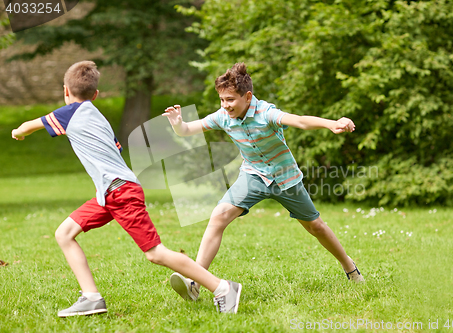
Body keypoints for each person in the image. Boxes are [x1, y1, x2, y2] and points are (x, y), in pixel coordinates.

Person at [11, 61, 242, 316]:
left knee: (155, 253)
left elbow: (31, 125)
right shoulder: (99, 117)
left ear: (66, 91)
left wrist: (17, 132)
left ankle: (222, 288)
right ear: (96, 95)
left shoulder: (70, 113)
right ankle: (91, 298)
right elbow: (116, 149)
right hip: (109, 193)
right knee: (64, 233)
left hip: (120, 192)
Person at [163, 62, 364, 302]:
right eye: (221, 100)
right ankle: (195, 282)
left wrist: (332, 123)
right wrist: (177, 122)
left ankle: (349, 266)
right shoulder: (223, 117)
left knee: (316, 227)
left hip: (285, 178)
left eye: (230, 100)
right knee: (218, 216)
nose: (225, 105)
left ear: (247, 97)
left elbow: (299, 121)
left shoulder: (266, 113)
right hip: (253, 175)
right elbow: (186, 130)